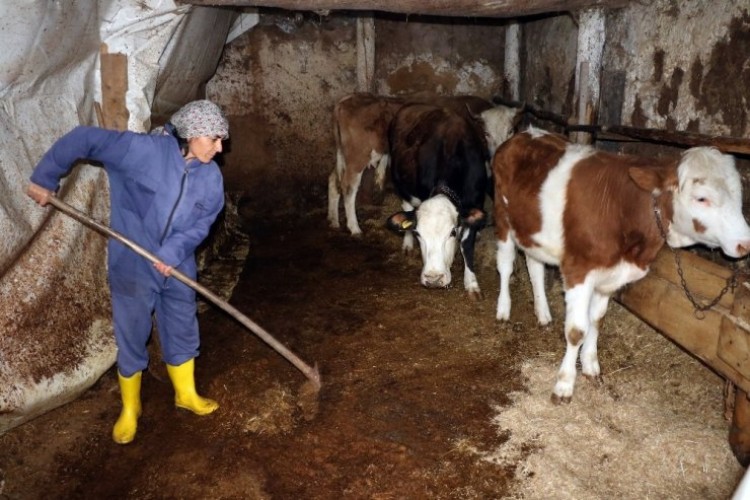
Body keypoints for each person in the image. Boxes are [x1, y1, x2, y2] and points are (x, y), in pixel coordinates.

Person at [26, 99, 229, 444]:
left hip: (177, 262)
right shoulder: (142, 151)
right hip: (133, 260)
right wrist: (45, 177)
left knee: (182, 323)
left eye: (221, 139)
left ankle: (186, 394)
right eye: (214, 138)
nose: (219, 147)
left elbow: (202, 223)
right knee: (131, 333)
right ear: (192, 135)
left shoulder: (211, 177)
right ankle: (130, 408)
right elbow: (83, 138)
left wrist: (172, 252)